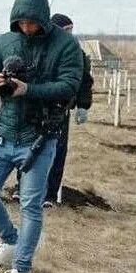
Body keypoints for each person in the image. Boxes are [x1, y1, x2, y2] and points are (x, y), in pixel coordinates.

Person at [0, 0, 83, 273]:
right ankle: (9, 240)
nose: (26, 27)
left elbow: (69, 85)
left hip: (40, 137)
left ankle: (21, 268)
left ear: (43, 18)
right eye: (20, 22)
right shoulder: (5, 42)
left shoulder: (65, 46)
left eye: (31, 22)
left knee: (30, 205)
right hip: (5, 133)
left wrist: (29, 89)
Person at [44, 13, 94, 206]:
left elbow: (84, 81)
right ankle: (24, 188)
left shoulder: (77, 53)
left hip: (62, 110)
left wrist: (82, 105)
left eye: (71, 31)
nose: (70, 35)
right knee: (32, 149)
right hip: (38, 107)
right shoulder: (42, 49)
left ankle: (49, 194)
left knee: (57, 151)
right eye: (66, 30)